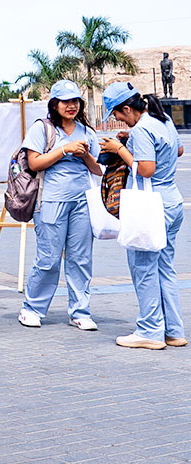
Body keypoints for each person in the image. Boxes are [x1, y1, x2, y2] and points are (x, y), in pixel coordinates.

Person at [99, 81, 185, 350]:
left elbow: (146, 169)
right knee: (164, 268)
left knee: (144, 268)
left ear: (127, 108)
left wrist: (120, 149)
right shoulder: (163, 119)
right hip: (171, 200)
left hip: (151, 204)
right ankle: (173, 330)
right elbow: (178, 150)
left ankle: (149, 330)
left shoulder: (143, 129)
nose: (116, 119)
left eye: (117, 114)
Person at [17, 79, 102, 331]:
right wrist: (64, 149)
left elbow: (97, 169)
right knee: (48, 258)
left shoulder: (87, 132)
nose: (71, 106)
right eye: (65, 101)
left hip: (82, 202)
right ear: (54, 105)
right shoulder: (41, 129)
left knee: (80, 259)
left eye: (75, 101)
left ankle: (79, 311)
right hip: (51, 200)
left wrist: (84, 153)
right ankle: (31, 308)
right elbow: (33, 163)